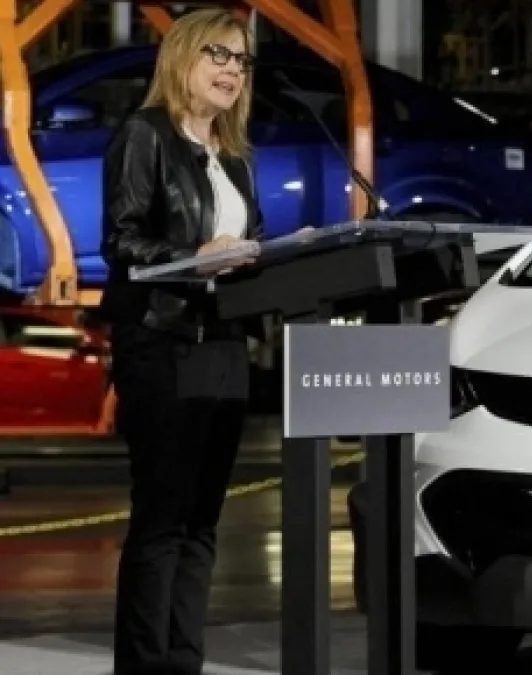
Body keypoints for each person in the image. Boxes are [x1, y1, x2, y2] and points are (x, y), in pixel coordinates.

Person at [97, 8, 262, 675]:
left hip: (225, 344)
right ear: (184, 56)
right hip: (161, 341)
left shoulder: (237, 156)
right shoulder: (146, 134)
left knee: (201, 525)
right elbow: (122, 241)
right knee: (163, 521)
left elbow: (248, 244)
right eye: (219, 54)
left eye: (241, 60)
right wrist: (197, 256)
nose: (232, 69)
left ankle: (184, 662)